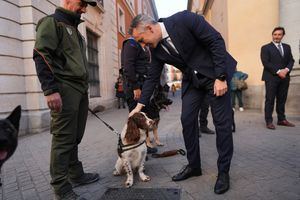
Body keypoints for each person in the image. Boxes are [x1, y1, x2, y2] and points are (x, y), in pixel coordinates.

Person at [128, 11, 237, 194]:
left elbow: (215, 41)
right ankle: (194, 166)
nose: (142, 45)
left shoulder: (185, 19)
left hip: (214, 73)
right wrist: (138, 107)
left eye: (141, 39)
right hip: (192, 81)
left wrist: (221, 76)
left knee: (222, 123)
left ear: (149, 28)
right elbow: (152, 77)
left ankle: (223, 172)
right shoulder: (156, 49)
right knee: (187, 120)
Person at [33, 1, 99, 199]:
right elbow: (40, 55)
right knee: (63, 138)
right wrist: (50, 90)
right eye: (82, 3)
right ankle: (61, 188)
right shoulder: (52, 22)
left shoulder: (76, 31)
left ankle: (75, 174)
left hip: (79, 89)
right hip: (64, 89)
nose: (85, 9)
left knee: (75, 136)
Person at [121, 36, 158, 154]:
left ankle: (145, 144)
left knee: (144, 117)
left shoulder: (145, 47)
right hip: (134, 87)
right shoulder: (131, 44)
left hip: (143, 85)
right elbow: (128, 67)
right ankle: (135, 146)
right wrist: (135, 86)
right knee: (136, 118)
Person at [260, 27, 295, 130]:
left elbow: (291, 60)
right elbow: (266, 63)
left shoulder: (287, 47)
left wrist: (286, 70)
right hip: (271, 77)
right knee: (270, 100)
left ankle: (281, 119)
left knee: (282, 99)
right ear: (272, 35)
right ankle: (269, 121)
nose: (277, 36)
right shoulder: (265, 48)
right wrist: (279, 71)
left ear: (282, 36)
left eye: (279, 34)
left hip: (285, 77)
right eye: (275, 34)